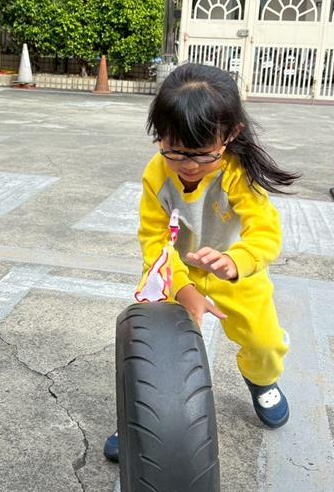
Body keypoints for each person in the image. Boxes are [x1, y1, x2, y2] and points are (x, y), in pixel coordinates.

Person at [104, 62, 298, 461]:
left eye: (202, 153)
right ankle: (143, 422)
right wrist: (183, 289)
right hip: (173, 270)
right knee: (156, 350)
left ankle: (261, 380)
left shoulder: (238, 173)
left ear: (231, 135)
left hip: (236, 273)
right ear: (159, 134)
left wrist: (236, 260)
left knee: (264, 343)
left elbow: (265, 233)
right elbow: (154, 240)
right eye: (174, 150)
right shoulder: (157, 174)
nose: (188, 164)